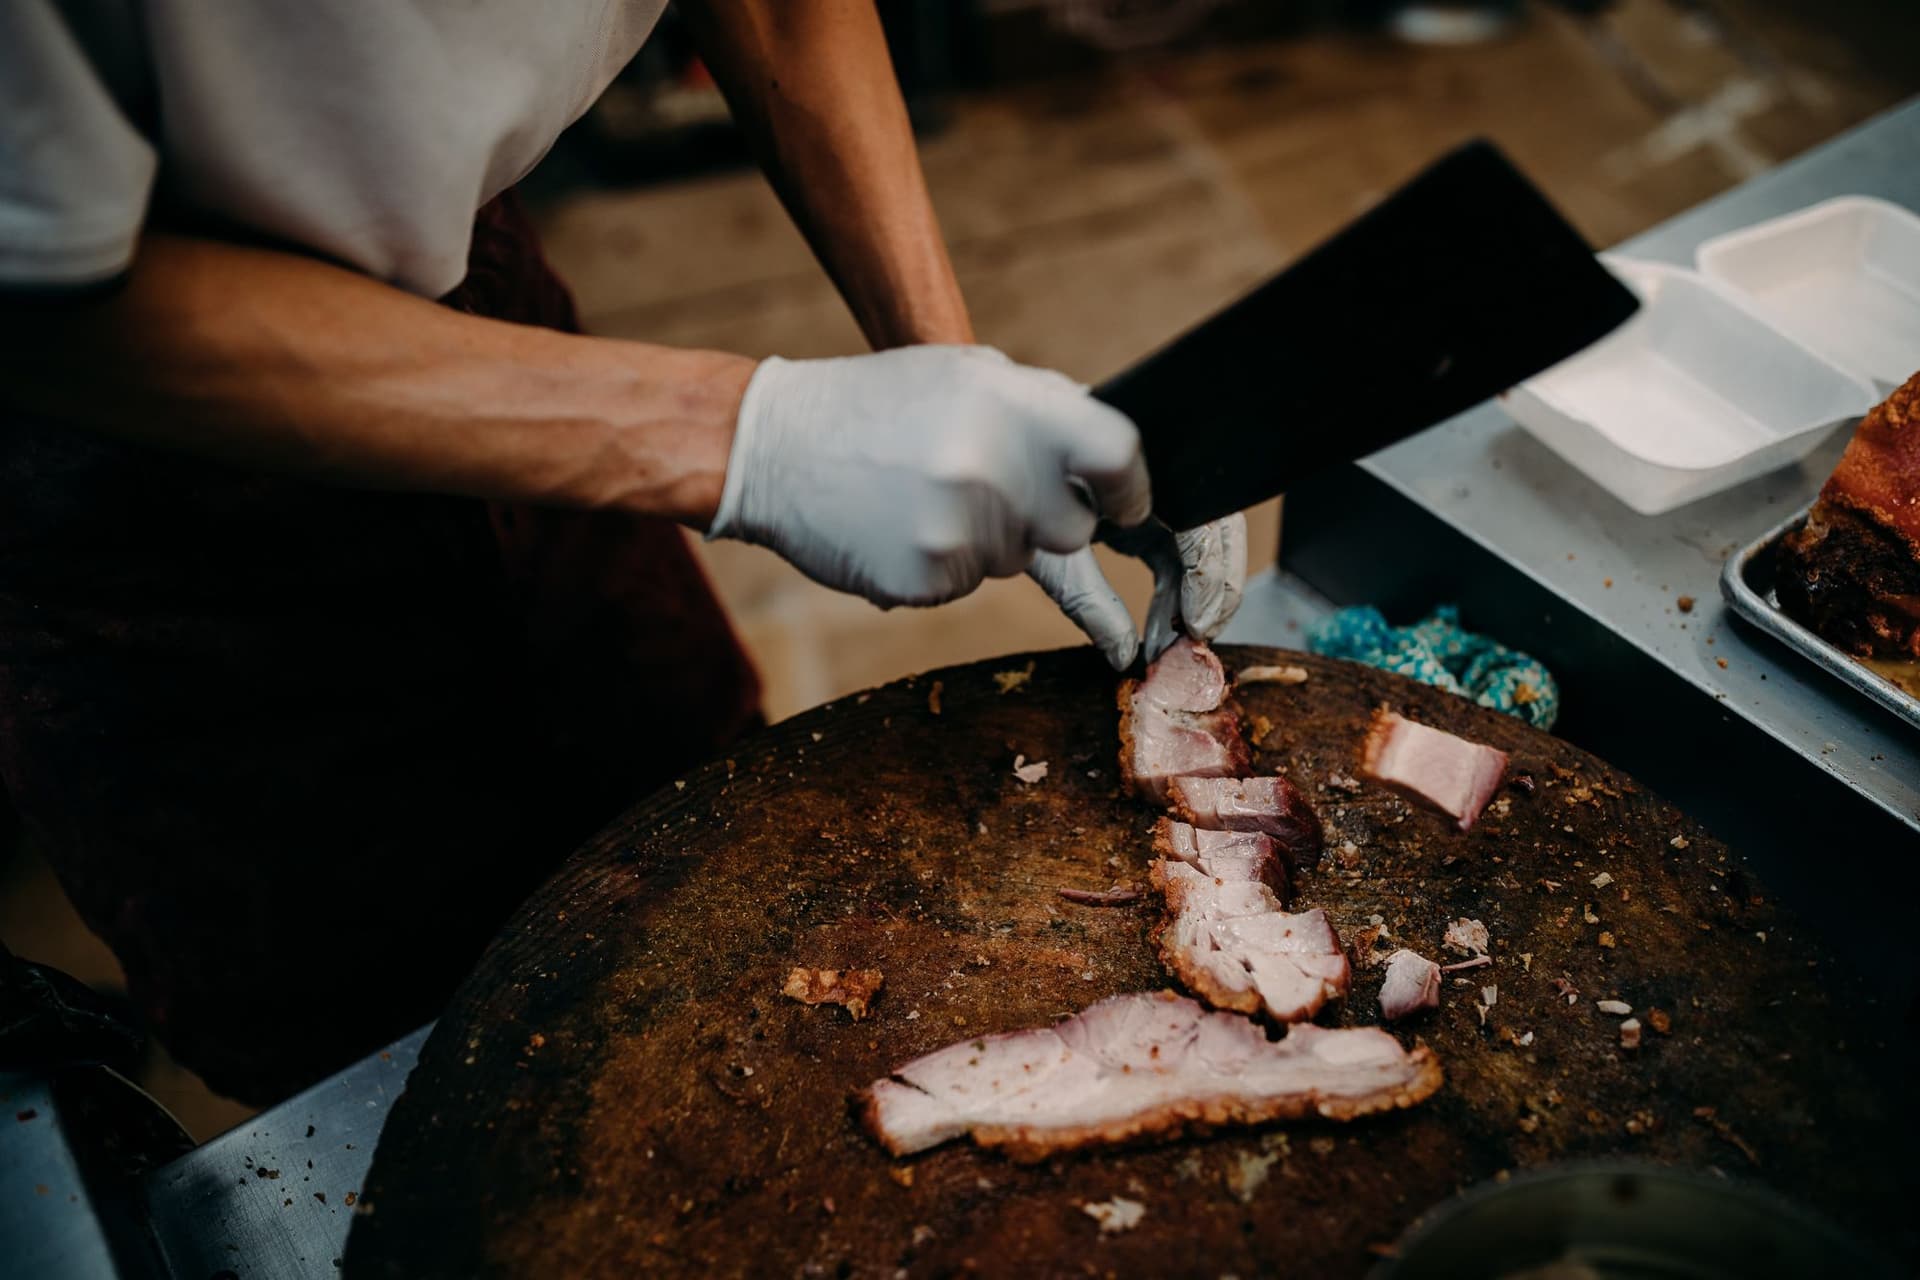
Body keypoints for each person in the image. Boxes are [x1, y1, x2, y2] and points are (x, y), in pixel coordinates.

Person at [0, 1, 1245, 1104]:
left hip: (469, 271)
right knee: (384, 1063)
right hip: (137, 468)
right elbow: (41, 304)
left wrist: (948, 373)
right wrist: (746, 438)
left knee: (711, 835)